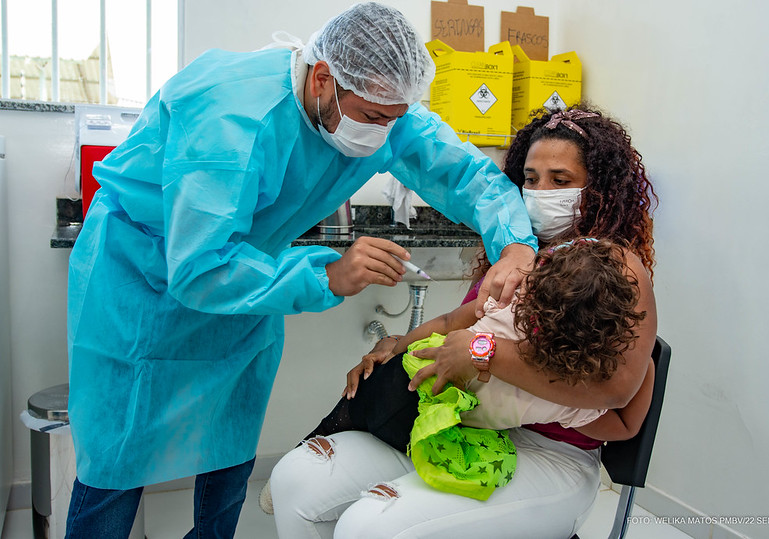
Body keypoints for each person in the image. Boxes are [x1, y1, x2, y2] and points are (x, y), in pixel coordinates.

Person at [64, 3, 538, 537]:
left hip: (253, 280)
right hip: (146, 282)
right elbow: (198, 265)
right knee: (118, 456)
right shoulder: (231, 117)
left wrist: (517, 243)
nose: (385, 134)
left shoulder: (381, 108)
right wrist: (326, 275)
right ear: (322, 78)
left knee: (228, 435)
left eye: (395, 119)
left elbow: (463, 173)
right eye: (375, 118)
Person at [269, 104, 658, 538]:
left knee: (368, 527)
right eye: (530, 179)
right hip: (464, 422)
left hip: (552, 453)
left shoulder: (614, 267)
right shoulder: (514, 248)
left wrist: (482, 355)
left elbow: (620, 388)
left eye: (560, 181)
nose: (540, 192)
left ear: (599, 188)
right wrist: (396, 347)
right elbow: (460, 319)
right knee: (295, 480)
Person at [281, 237, 654, 502]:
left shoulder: (504, 314)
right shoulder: (567, 399)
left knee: (351, 409)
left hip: (410, 383)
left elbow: (445, 322)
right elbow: (625, 426)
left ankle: (310, 446)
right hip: (440, 433)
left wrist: (399, 346)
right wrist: (647, 366)